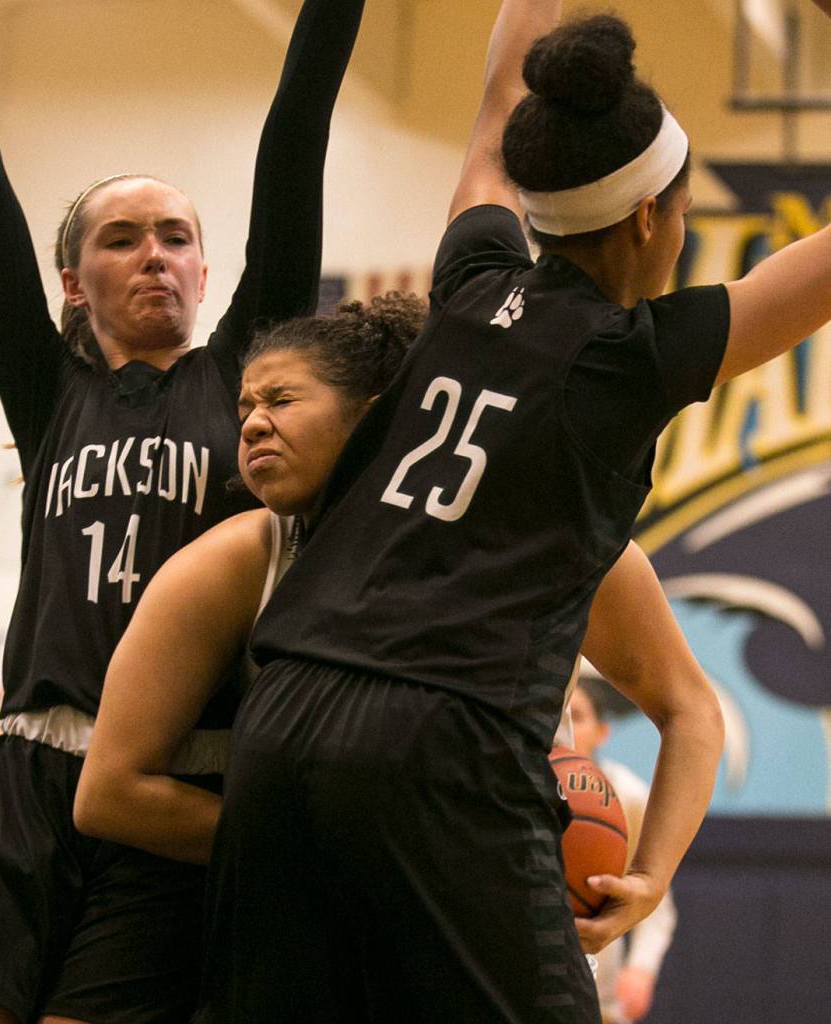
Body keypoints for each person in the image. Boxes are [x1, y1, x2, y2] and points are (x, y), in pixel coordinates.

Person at [196, 0, 831, 1019]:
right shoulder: (631, 359)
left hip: (285, 716)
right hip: (445, 739)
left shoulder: (470, 278)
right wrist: (656, 874)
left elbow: (497, 110)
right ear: (647, 218)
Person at [0, 1, 366, 1022]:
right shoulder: (49, 389)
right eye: (123, 238)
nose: (154, 254)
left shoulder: (241, 376)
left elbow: (296, 132)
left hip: (172, 789)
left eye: (175, 237)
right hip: (25, 774)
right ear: (71, 279)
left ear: (205, 267)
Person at [74, 301, 716, 888]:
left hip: (495, 890)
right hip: (316, 907)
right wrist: (339, 849)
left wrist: (652, 875)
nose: (251, 426)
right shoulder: (236, 560)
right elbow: (108, 792)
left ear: (381, 416)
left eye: (281, 399)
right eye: (243, 408)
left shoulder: (550, 534)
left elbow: (689, 707)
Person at [570, 679, 677, 1024]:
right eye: (560, 717)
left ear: (602, 732)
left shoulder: (625, 794)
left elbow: (655, 896)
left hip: (598, 997)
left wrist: (641, 969)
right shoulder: (513, 788)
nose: (566, 729)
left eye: (578, 717)